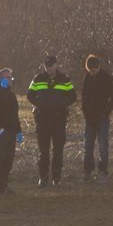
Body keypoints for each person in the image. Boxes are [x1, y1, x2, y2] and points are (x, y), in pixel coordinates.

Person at [27, 54, 76, 187]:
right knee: (44, 150)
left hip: (58, 119)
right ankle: (43, 178)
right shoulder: (38, 78)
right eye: (46, 66)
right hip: (42, 118)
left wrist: (61, 105)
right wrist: (40, 105)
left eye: (51, 66)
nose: (48, 68)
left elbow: (73, 96)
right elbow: (29, 94)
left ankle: (56, 178)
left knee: (58, 150)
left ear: (56, 65)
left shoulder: (64, 79)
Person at [80, 54, 113, 182]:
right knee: (88, 146)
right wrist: (85, 112)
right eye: (90, 69)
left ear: (98, 67)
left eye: (94, 68)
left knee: (103, 146)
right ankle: (87, 171)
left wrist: (106, 111)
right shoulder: (87, 78)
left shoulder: (107, 78)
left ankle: (103, 171)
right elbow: (84, 97)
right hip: (90, 117)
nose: (93, 71)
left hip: (102, 117)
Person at [0, 67, 22, 196]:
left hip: (12, 132)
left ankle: (4, 185)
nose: (11, 79)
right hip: (0, 131)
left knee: (8, 159)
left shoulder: (11, 95)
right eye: (8, 77)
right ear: (1, 79)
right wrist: (0, 131)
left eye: (11, 77)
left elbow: (15, 115)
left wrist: (19, 131)